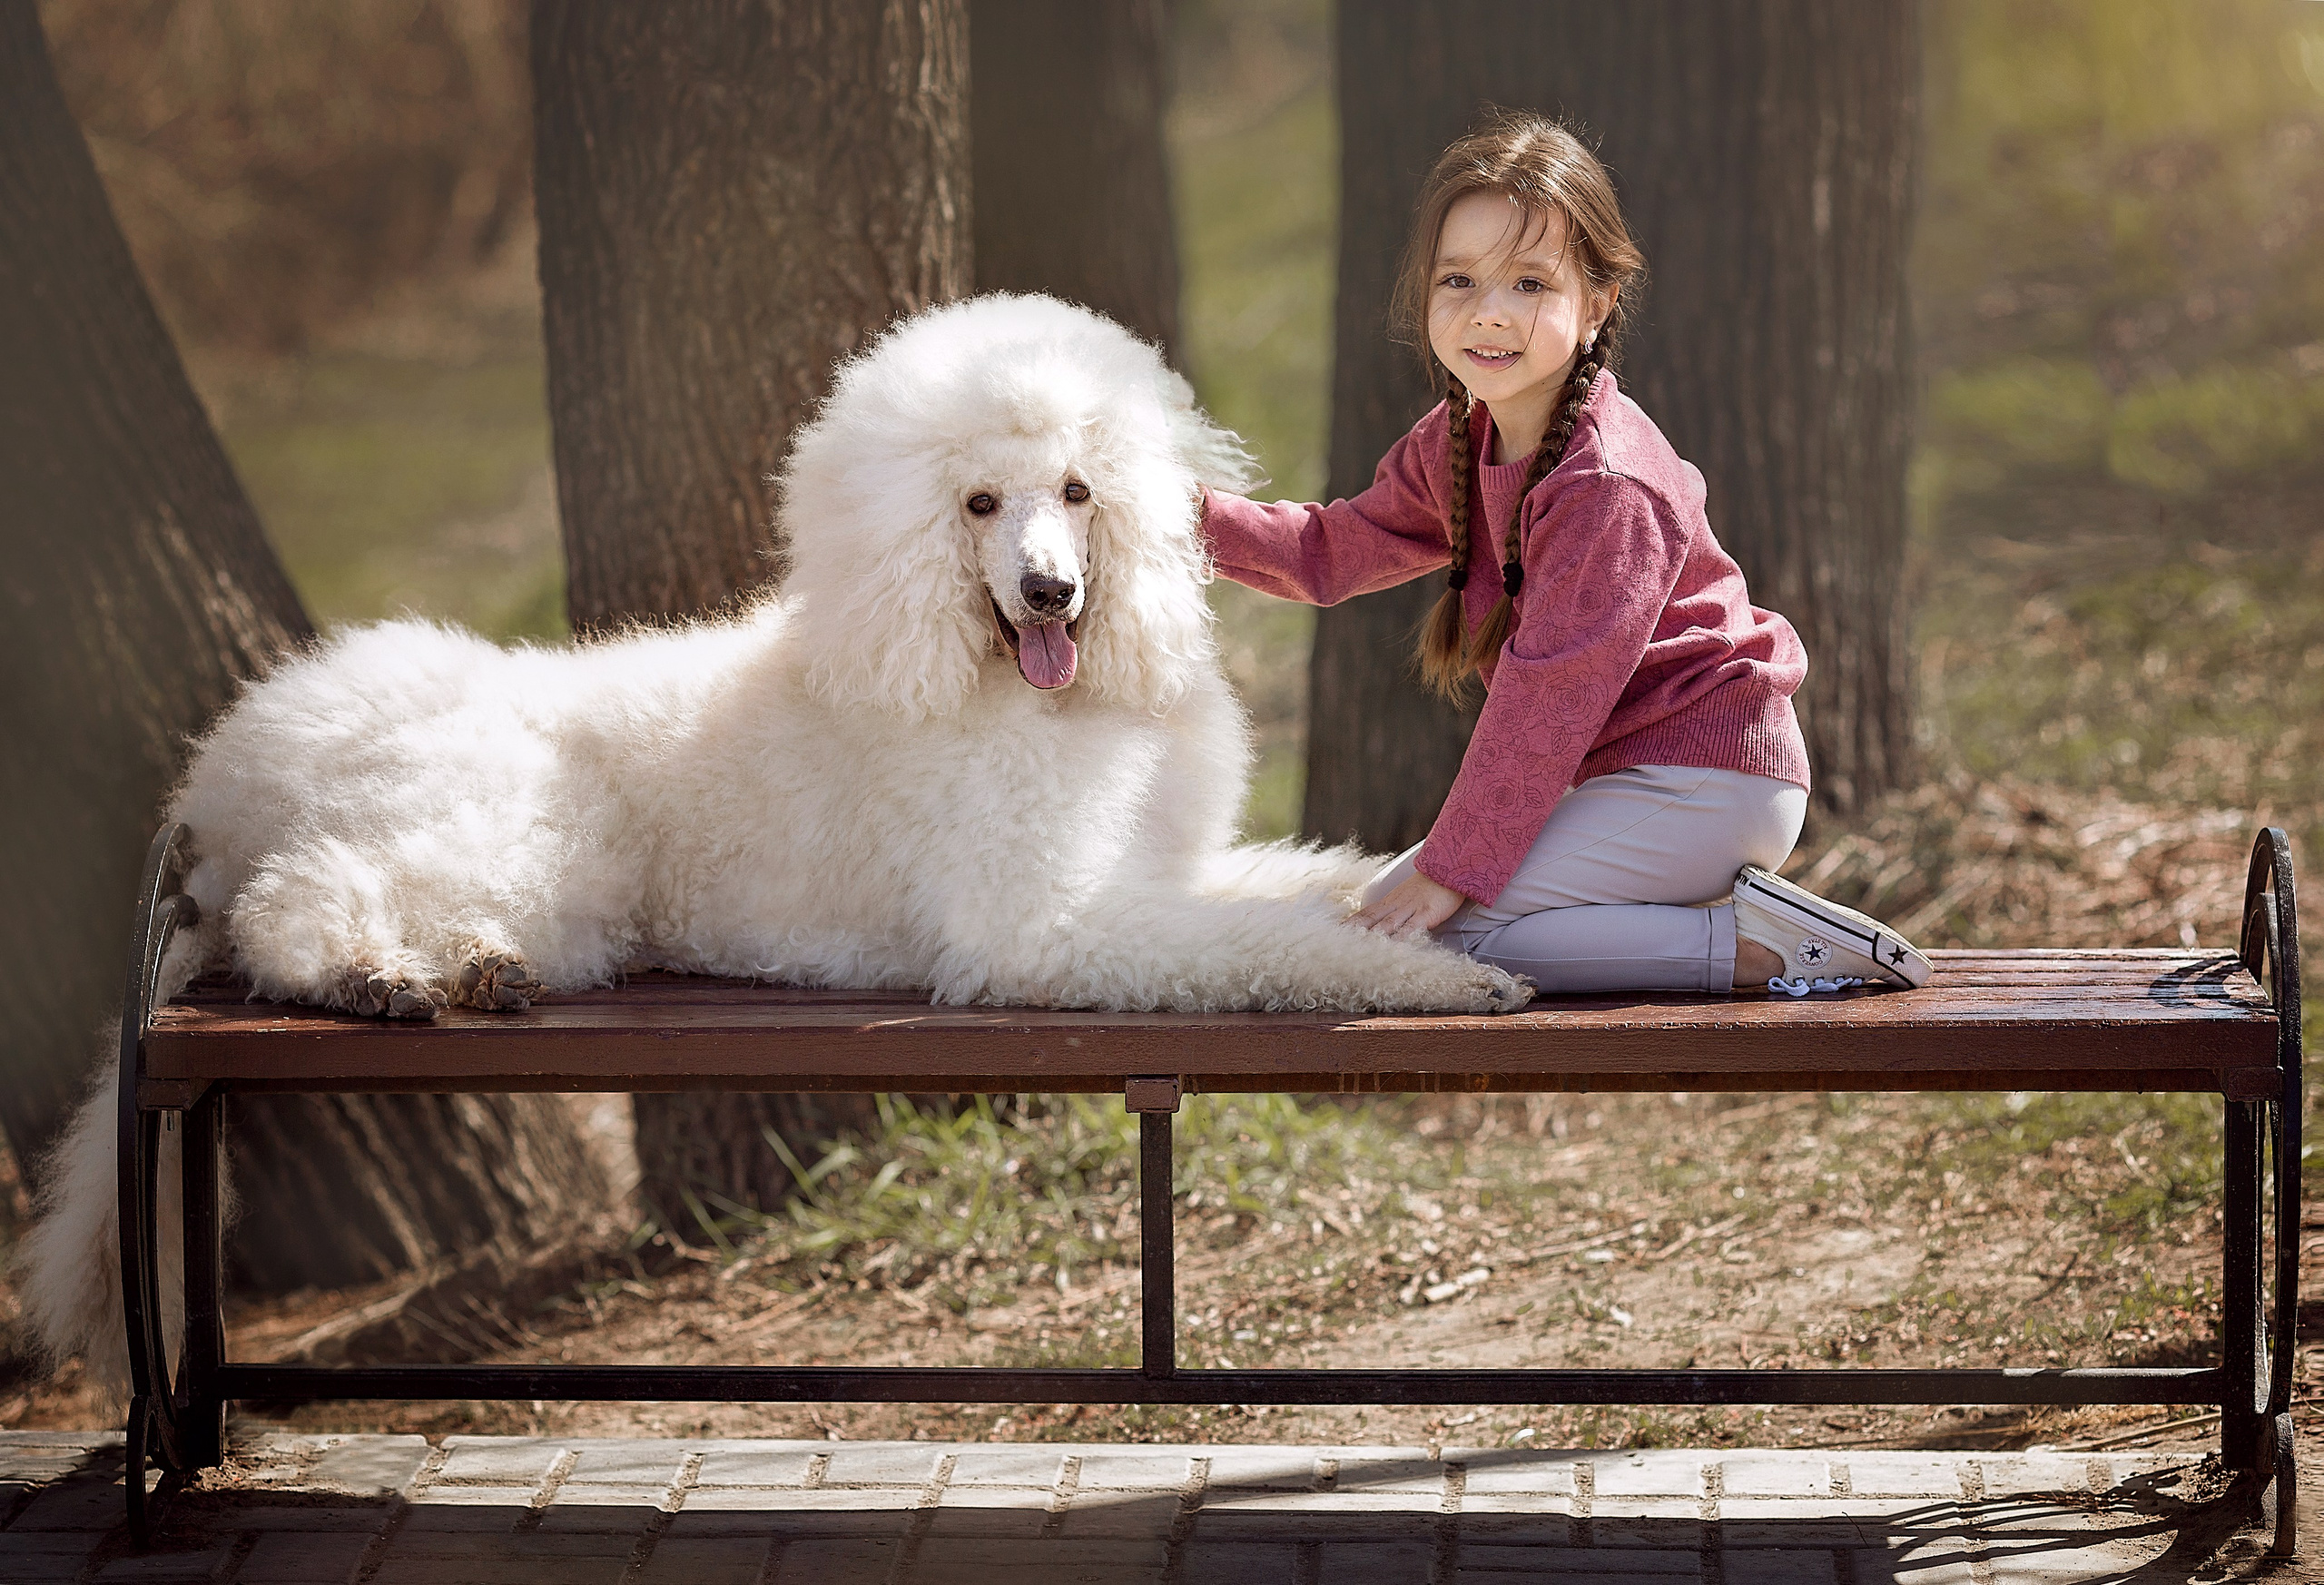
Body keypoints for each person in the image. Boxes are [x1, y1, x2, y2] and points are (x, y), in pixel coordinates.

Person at [1197, 112, 1931, 996]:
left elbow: (1548, 698)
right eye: (1459, 279)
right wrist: (1169, 514)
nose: (1489, 312)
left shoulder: (1607, 485)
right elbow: (1328, 551)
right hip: (1616, 783)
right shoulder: (1457, 443)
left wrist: (1453, 868)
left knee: (1421, 938)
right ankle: (1702, 931)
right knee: (1373, 922)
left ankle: (1755, 949)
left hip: (1705, 783)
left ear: (1596, 303)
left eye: (1530, 284)